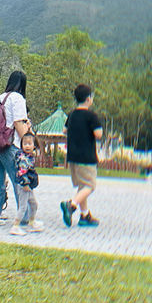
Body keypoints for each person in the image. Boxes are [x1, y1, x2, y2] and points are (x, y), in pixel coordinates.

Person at [0, 71, 30, 226]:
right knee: (20, 182)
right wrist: (28, 142)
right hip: (9, 146)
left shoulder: (1, 98)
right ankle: (25, 218)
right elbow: (18, 123)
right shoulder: (18, 99)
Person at [60, 84, 103, 227]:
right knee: (90, 186)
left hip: (73, 157)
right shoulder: (91, 116)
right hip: (87, 157)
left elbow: (64, 130)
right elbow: (98, 134)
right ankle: (71, 205)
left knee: (82, 186)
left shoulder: (72, 114)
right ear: (88, 99)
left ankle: (85, 216)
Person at [10, 132, 43, 235]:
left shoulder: (29, 156)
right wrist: (25, 184)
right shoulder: (22, 157)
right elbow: (22, 171)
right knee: (23, 206)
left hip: (28, 186)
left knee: (33, 204)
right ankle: (15, 226)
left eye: (29, 143)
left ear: (34, 145)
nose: (27, 146)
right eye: (25, 144)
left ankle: (32, 222)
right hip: (24, 185)